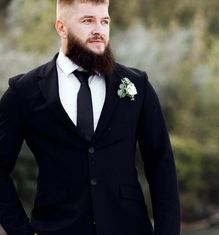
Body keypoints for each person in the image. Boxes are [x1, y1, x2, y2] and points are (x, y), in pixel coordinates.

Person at [0, 0, 181, 234]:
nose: (99, 30)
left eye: (104, 21)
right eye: (87, 21)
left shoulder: (137, 85)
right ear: (61, 27)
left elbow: (161, 164)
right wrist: (20, 231)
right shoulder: (24, 91)